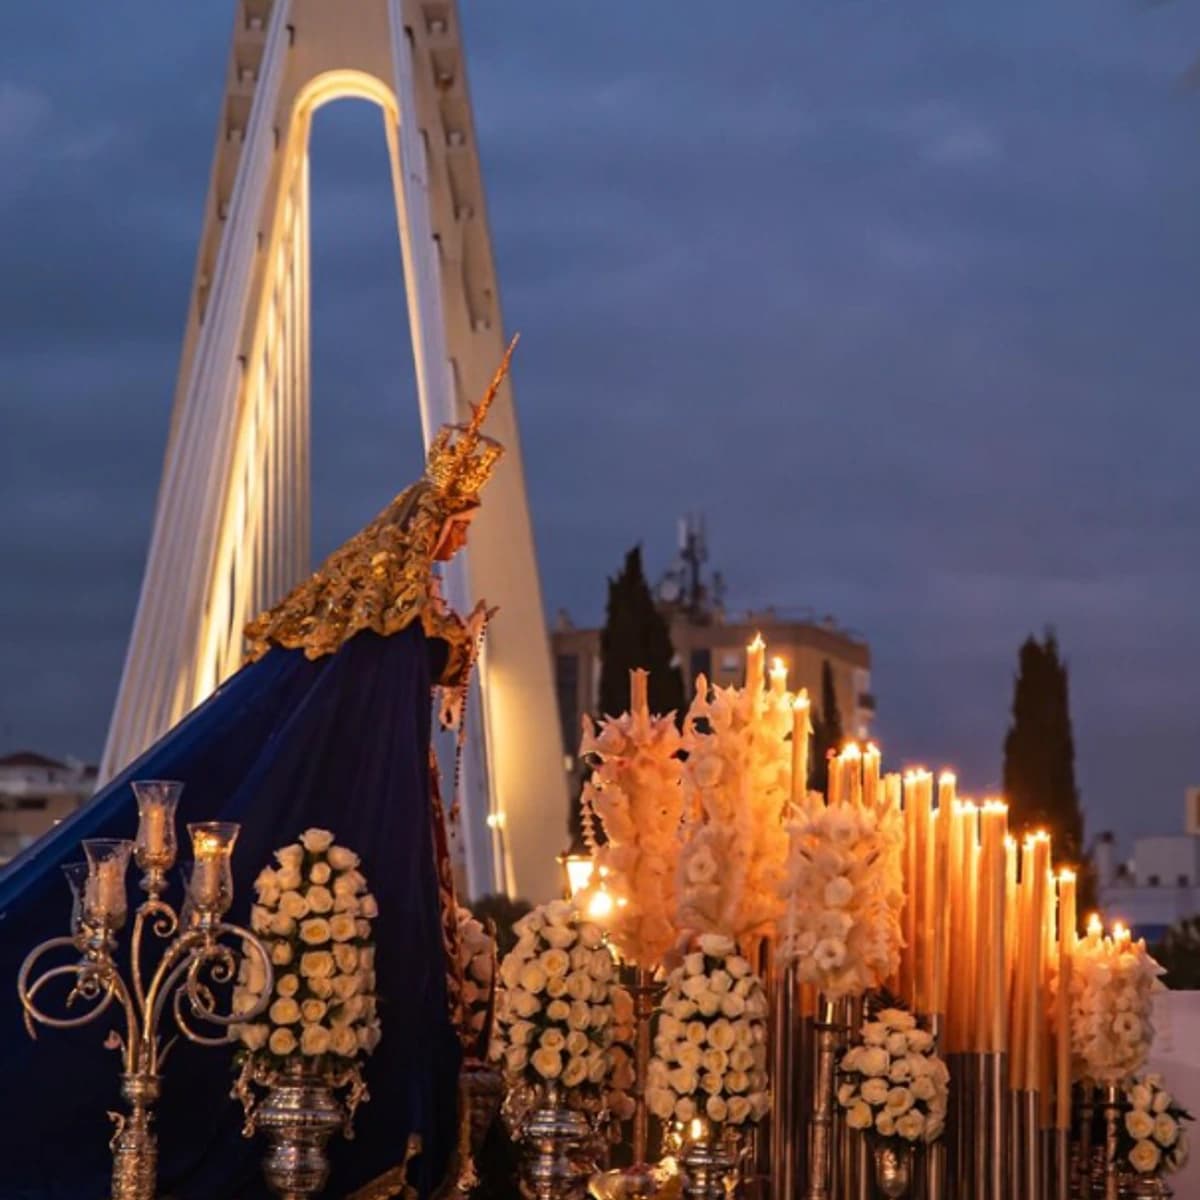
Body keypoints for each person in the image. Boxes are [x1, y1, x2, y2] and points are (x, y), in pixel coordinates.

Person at [0, 342, 516, 1200]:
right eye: (457, 519)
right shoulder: (386, 605)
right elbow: (375, 688)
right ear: (430, 518)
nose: (462, 533)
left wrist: (456, 647)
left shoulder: (402, 599)